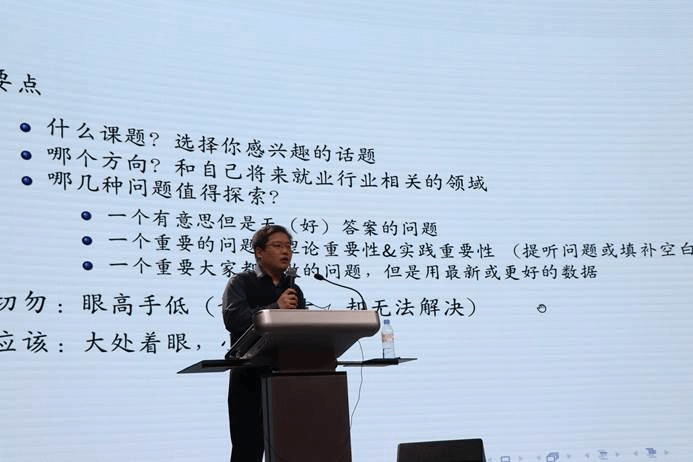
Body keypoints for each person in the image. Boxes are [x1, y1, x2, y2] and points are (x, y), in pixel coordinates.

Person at [221, 224, 306, 462]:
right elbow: (234, 319)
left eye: (289, 246)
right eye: (278, 246)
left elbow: (302, 331)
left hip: (287, 378)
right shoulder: (240, 283)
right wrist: (275, 308)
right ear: (259, 252)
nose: (285, 252)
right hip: (249, 378)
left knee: (291, 448)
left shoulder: (293, 288)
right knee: (248, 450)